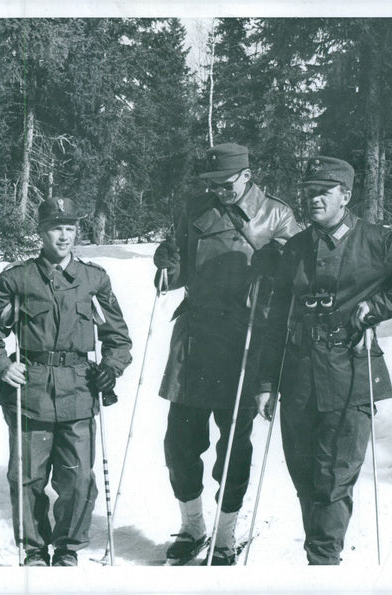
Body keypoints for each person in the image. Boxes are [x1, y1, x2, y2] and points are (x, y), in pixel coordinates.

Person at [254, 156, 392, 565]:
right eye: (309, 191)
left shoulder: (376, 241)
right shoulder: (295, 247)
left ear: (345, 195)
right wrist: (265, 383)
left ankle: (323, 565)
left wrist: (379, 306)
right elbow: (276, 318)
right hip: (296, 377)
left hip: (350, 372)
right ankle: (322, 559)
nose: (313, 199)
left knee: (333, 479)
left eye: (323, 192)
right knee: (305, 479)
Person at [153, 142, 300, 565]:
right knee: (179, 441)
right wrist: (166, 264)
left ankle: (225, 533)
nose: (221, 190)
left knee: (234, 445)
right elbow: (175, 275)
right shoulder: (195, 209)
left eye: (228, 182)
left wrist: (276, 267)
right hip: (195, 337)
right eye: (213, 183)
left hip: (246, 340)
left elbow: (296, 277)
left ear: (247, 175)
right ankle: (192, 525)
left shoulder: (277, 214)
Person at [0, 196, 132, 567]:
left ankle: (68, 549)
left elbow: (118, 339)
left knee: (79, 480)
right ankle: (34, 551)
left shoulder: (93, 279)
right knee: (27, 478)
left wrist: (110, 368)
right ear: (40, 231)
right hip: (30, 389)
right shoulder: (16, 279)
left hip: (79, 391)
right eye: (56, 228)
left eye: (70, 228)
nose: (64, 236)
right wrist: (2, 364)